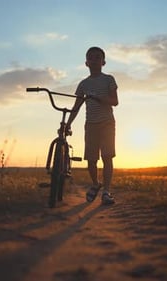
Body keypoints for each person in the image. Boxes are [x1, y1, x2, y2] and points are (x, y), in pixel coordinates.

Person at [67, 46, 119, 205]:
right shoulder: (83, 84)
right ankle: (96, 184)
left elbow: (115, 102)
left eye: (98, 58)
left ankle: (106, 191)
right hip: (90, 125)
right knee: (91, 160)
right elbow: (76, 106)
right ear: (86, 63)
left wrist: (98, 98)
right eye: (91, 58)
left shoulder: (109, 79)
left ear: (103, 62)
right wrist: (68, 124)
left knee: (107, 157)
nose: (94, 60)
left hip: (107, 123)